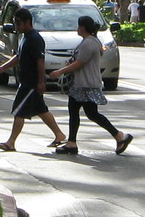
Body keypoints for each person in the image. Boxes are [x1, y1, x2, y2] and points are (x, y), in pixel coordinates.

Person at [50, 15, 133, 155]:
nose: (77, 28)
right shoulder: (91, 41)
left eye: (78, 26)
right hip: (84, 83)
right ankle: (73, 142)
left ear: (83, 27)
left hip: (85, 84)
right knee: (82, 112)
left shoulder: (89, 43)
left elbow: (79, 63)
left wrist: (60, 71)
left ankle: (119, 136)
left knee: (87, 113)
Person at [0, 5, 63, 151]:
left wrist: (41, 82)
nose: (16, 26)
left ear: (27, 22)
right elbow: (18, 57)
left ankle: (11, 142)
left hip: (31, 83)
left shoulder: (35, 39)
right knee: (41, 110)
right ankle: (59, 134)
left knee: (19, 111)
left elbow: (40, 61)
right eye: (15, 23)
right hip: (25, 81)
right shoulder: (25, 38)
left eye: (19, 23)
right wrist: (2, 68)